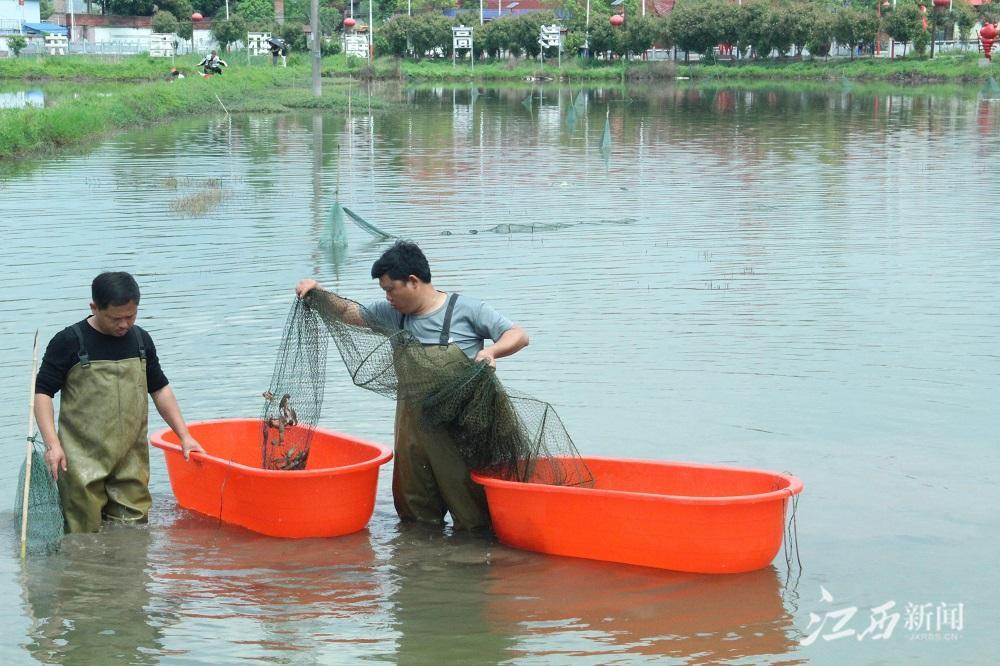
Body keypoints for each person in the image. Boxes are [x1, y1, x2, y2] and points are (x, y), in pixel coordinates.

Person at [295, 241, 529, 531]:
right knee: (415, 517)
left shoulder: (467, 310)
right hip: (412, 430)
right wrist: (317, 293)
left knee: (473, 518)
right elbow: (348, 313)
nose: (387, 296)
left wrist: (491, 352)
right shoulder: (394, 314)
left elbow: (517, 334)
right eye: (384, 291)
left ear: (413, 282)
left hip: (459, 434)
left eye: (390, 289)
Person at [34, 272, 205, 533]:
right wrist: (52, 445)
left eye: (131, 316)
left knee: (134, 534)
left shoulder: (141, 341)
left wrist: (184, 435)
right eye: (116, 318)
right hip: (80, 459)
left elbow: (160, 389)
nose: (124, 324)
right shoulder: (68, 341)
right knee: (82, 534)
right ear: (94, 308)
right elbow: (42, 393)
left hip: (131, 458)